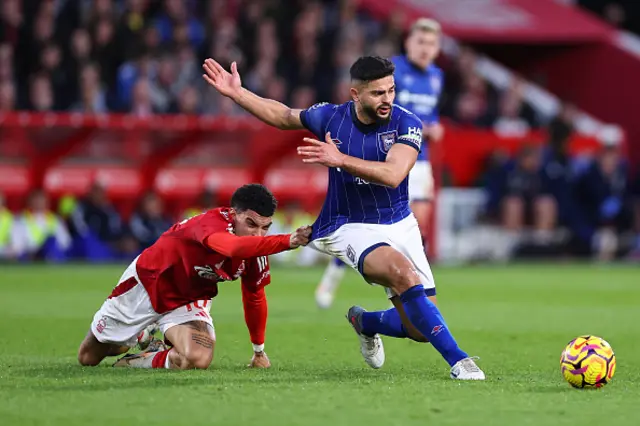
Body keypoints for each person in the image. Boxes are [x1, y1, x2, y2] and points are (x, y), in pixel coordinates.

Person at [202, 55, 484, 380]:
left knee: (420, 328)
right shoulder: (331, 117)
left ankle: (365, 322)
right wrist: (238, 94)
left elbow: (393, 175)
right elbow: (283, 115)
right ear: (355, 94)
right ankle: (461, 362)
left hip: (399, 222)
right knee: (403, 274)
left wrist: (340, 159)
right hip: (346, 225)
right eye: (378, 93)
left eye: (391, 91)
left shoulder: (408, 123)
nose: (387, 100)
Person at [77, 184, 311, 369]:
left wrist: (258, 351)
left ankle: (140, 360)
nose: (258, 235)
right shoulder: (210, 223)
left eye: (265, 227)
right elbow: (233, 249)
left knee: (197, 358)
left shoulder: (257, 250)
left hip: (190, 299)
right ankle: (139, 334)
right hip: (149, 284)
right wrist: (287, 240)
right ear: (233, 213)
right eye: (251, 224)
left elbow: (255, 296)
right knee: (88, 357)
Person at [314, 18, 444, 309]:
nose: (425, 49)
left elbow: (429, 115)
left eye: (431, 44)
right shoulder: (390, 71)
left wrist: (434, 128)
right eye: (420, 42)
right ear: (408, 43)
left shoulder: (437, 76)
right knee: (369, 220)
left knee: (418, 224)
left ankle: (400, 290)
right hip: (382, 156)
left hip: (418, 160)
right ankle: (337, 270)